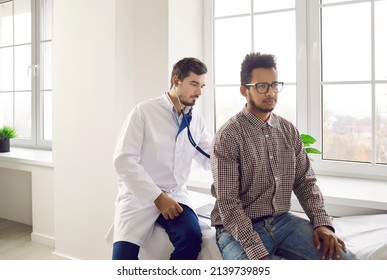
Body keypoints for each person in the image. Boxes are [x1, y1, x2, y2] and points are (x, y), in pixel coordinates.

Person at [210, 52, 357, 260]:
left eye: (274, 85)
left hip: (282, 221)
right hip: (237, 229)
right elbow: (228, 203)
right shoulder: (228, 136)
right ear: (245, 91)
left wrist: (321, 222)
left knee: (346, 260)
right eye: (262, 86)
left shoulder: (288, 130)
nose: (271, 93)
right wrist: (256, 250)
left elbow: (305, 182)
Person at [111, 57, 212, 260]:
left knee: (191, 239)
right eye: (194, 84)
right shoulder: (143, 112)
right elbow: (123, 160)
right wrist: (157, 197)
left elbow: (211, 156)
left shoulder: (196, 120)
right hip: (139, 197)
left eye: (202, 86)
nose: (199, 92)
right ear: (176, 81)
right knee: (122, 258)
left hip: (176, 195)